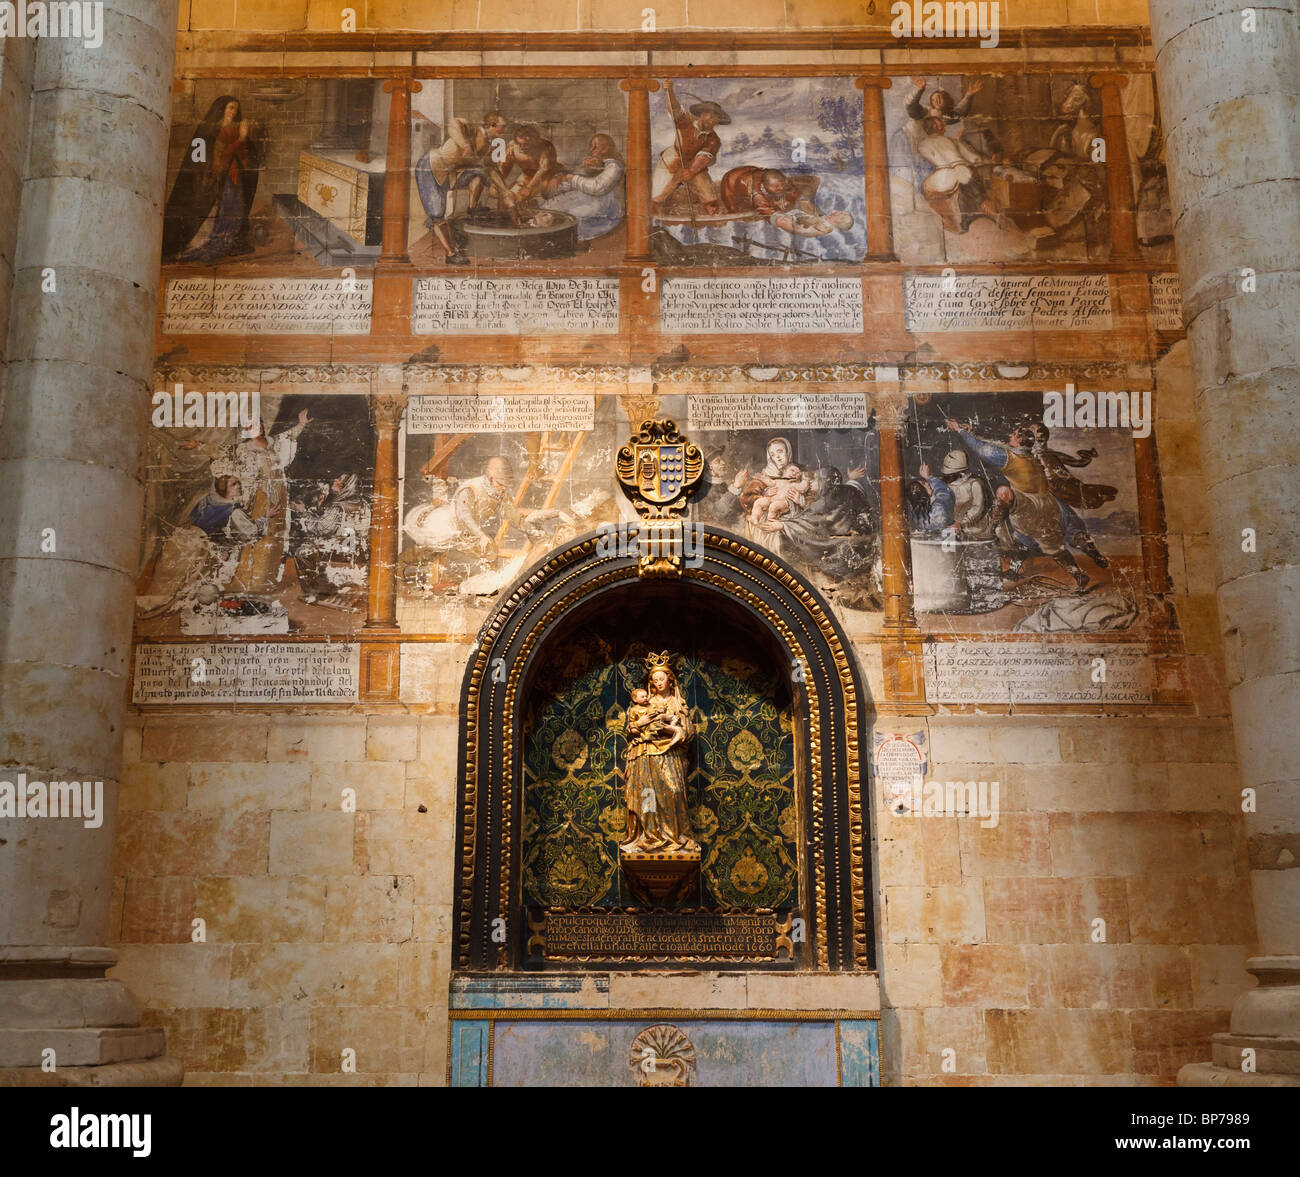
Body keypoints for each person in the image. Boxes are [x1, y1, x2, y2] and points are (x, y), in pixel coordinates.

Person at [162, 95, 261, 261]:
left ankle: (228, 239)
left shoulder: (237, 129)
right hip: (212, 180)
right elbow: (203, 159)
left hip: (231, 177)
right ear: (221, 110)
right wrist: (240, 140)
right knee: (209, 209)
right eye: (230, 108)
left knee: (233, 208)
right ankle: (203, 241)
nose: (233, 112)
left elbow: (246, 155)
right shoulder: (207, 131)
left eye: (236, 108)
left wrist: (243, 143)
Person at [621, 656, 700, 854]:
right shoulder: (645, 704)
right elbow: (631, 731)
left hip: (672, 755)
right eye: (654, 680)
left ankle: (676, 837)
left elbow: (688, 731)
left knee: (674, 792)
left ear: (670, 679)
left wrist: (670, 729)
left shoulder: (678, 703)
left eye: (662, 678)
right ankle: (650, 836)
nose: (658, 683)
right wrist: (639, 726)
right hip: (648, 755)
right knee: (649, 795)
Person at [415, 111, 513, 265]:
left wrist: (506, 192)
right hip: (431, 168)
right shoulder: (472, 130)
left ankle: (472, 207)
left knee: (481, 172)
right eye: (502, 127)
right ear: (491, 125)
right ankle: (451, 253)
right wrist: (465, 144)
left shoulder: (489, 147)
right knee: (437, 214)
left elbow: (492, 169)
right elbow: (453, 123)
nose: (503, 131)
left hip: (452, 174)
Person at [652, 80, 729, 215]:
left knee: (710, 197)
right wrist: (669, 91)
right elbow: (674, 108)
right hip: (673, 159)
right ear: (702, 115)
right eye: (711, 117)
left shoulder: (713, 139)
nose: (713, 121)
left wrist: (692, 171)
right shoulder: (685, 121)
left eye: (716, 119)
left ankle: (712, 212)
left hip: (695, 166)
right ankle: (656, 206)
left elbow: (703, 157)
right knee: (656, 196)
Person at [718, 166, 854, 237]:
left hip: (753, 170)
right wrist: (806, 231)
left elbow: (801, 200)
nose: (781, 189)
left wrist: (819, 217)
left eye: (782, 185)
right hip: (732, 180)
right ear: (765, 187)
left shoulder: (785, 184)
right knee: (735, 208)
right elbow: (780, 221)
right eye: (776, 188)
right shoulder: (757, 196)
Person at [916, 115, 996, 234]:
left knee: (927, 190)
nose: (943, 125)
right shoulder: (952, 141)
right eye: (941, 124)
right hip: (960, 170)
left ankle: (949, 219)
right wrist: (991, 161)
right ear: (938, 127)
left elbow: (928, 160)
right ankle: (968, 218)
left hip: (939, 177)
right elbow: (975, 159)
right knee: (968, 180)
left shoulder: (922, 144)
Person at [541, 133, 626, 241]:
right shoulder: (596, 164)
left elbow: (597, 187)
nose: (591, 149)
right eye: (591, 146)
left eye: (596, 146)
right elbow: (576, 178)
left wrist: (570, 178)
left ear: (606, 149)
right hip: (588, 199)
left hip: (604, 207)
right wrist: (559, 179)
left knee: (569, 215)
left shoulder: (614, 166)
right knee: (550, 208)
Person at [499, 123, 559, 209]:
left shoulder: (545, 146)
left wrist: (529, 188)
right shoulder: (512, 146)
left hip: (547, 176)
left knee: (522, 198)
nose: (522, 148)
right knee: (506, 198)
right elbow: (504, 166)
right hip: (527, 176)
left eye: (526, 144)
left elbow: (543, 170)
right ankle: (501, 219)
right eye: (519, 144)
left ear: (534, 141)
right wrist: (498, 184)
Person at [906, 76, 984, 127]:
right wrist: (920, 89)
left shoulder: (946, 118)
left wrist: (969, 95)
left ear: (947, 101)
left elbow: (960, 112)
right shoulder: (924, 113)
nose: (936, 101)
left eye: (939, 98)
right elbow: (911, 107)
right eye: (933, 100)